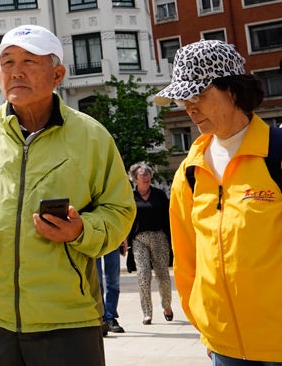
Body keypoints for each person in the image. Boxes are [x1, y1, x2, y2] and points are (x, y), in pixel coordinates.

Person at [0, 24, 136, 366]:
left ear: (57, 74)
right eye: (7, 62)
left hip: (68, 317)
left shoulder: (92, 137)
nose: (16, 71)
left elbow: (119, 210)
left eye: (29, 61)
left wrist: (81, 230)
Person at [158, 40, 282, 365]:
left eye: (197, 94)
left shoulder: (276, 155)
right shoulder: (189, 172)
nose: (189, 107)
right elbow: (186, 261)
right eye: (183, 98)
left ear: (234, 90)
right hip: (224, 348)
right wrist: (206, 327)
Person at [125, 161, 172, 326]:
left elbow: (168, 217)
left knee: (162, 275)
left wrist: (171, 239)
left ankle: (166, 306)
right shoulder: (130, 197)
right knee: (143, 275)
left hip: (159, 238)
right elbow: (126, 219)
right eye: (142, 175)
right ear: (135, 179)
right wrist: (124, 239)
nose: (146, 177)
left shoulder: (159, 195)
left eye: (148, 174)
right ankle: (147, 313)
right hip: (139, 240)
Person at [95, 243, 127, 335]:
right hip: (93, 239)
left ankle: (110, 317)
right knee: (97, 281)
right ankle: (102, 318)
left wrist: (123, 238)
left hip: (112, 239)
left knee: (114, 280)